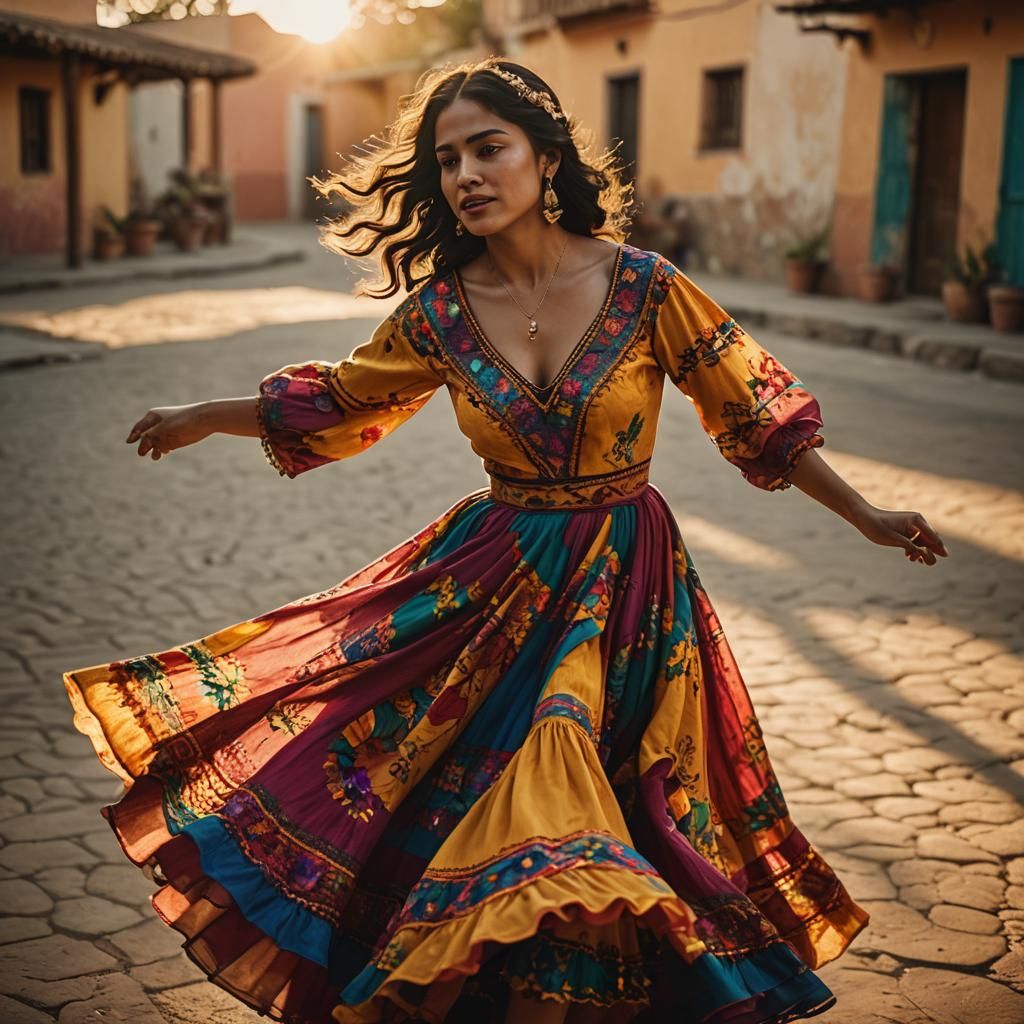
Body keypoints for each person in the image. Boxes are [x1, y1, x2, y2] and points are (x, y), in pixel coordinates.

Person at [63, 57, 948, 1024]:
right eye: (448, 160)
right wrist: (204, 413)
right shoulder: (441, 311)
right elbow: (338, 400)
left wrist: (865, 514)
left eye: (489, 149)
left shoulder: (647, 287)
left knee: (603, 797)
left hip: (626, 585)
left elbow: (755, 412)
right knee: (505, 795)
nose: (465, 177)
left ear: (546, 157)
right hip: (495, 582)